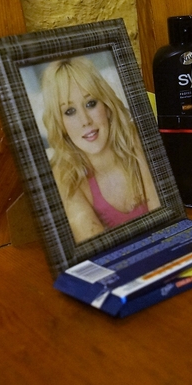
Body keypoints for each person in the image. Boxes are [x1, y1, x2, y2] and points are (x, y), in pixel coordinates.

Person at [40, 56, 160, 244]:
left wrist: (140, 148)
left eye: (90, 103)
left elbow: (168, 224)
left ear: (107, 106)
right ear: (60, 124)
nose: (85, 120)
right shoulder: (65, 176)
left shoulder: (138, 139)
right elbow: (97, 248)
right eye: (70, 111)